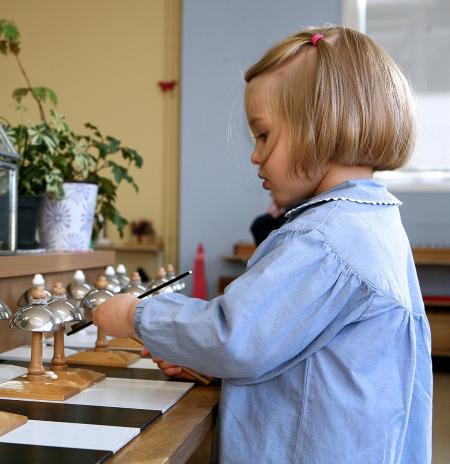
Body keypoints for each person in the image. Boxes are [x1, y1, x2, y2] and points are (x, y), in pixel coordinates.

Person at [93, 25, 432, 463]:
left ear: (320, 127)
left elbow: (233, 337)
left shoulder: (323, 239)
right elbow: (302, 352)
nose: (255, 155)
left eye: (264, 135)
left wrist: (136, 314)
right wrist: (217, 369)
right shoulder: (373, 223)